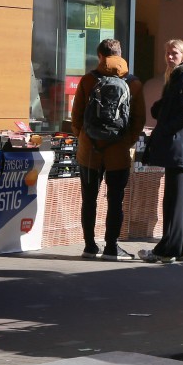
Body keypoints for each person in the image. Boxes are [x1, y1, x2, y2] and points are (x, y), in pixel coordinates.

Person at [71, 39, 145, 260]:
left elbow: (76, 116)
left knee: (89, 199)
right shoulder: (133, 83)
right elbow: (138, 119)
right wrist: (125, 141)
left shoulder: (87, 80)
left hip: (90, 151)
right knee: (115, 200)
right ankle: (112, 247)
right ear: (120, 55)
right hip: (118, 152)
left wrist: (85, 137)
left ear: (100, 56)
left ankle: (89, 246)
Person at [138, 39, 183, 264]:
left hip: (179, 146)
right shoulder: (180, 77)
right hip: (180, 146)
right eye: (167, 53)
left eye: (174, 53)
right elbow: (179, 109)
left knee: (174, 201)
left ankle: (167, 250)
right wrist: (162, 107)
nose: (169, 56)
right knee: (182, 200)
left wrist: (166, 129)